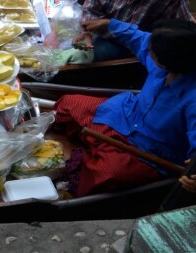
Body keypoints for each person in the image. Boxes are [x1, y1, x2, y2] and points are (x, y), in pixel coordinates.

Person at [53, 18, 196, 197]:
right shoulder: (166, 59)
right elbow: (138, 37)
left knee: (106, 173)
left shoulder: (192, 98)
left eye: (151, 50)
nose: (147, 48)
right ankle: (97, 150)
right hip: (124, 116)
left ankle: (96, 155)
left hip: (146, 153)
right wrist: (109, 23)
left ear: (164, 60)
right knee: (69, 103)